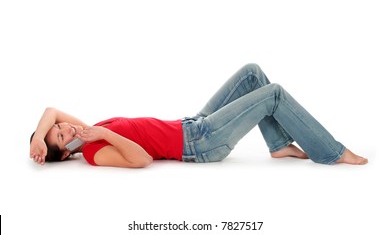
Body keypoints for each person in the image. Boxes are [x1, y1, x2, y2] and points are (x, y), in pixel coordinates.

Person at [29, 63, 368, 168]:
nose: (64, 125)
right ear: (66, 149)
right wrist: (102, 135)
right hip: (201, 143)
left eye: (59, 127)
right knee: (273, 93)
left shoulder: (84, 131)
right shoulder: (92, 150)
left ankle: (278, 144)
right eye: (60, 134)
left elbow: (50, 110)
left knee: (252, 73)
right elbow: (141, 160)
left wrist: (37, 141)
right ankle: (331, 152)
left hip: (192, 123)